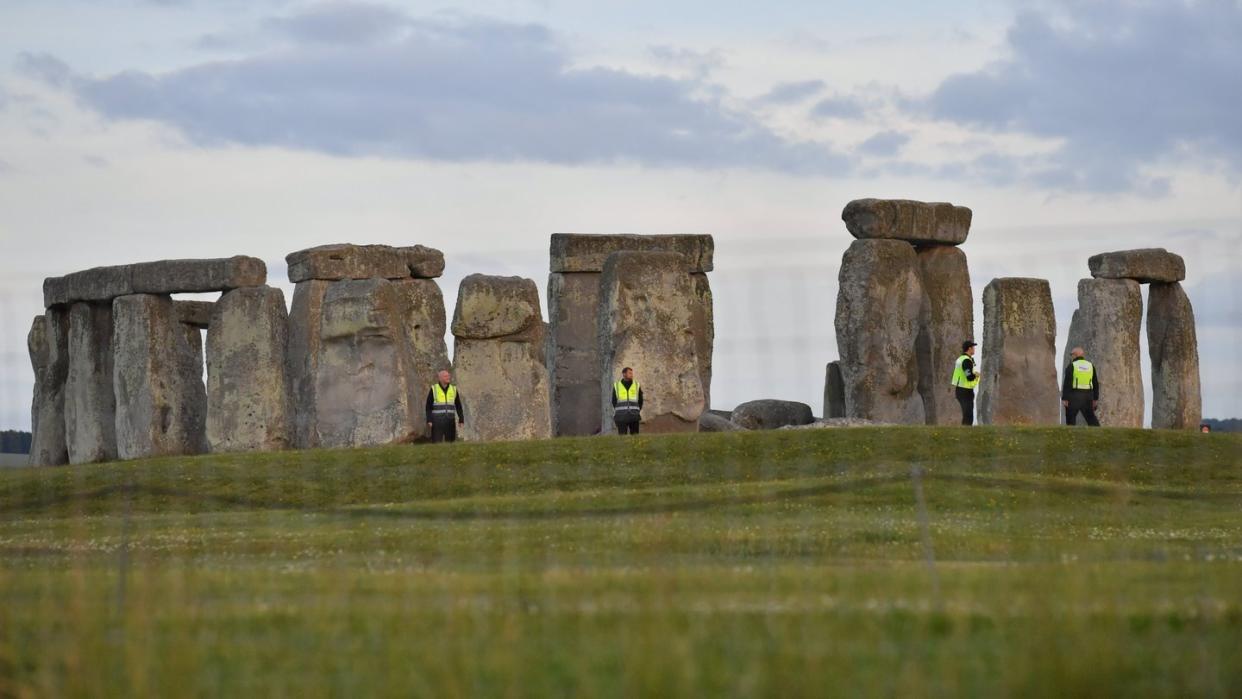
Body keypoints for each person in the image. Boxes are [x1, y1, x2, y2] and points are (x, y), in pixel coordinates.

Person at [1061, 347, 1100, 427]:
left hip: (1074, 395)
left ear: (1075, 355)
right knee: (1090, 417)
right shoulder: (1090, 366)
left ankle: (1071, 435)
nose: (1071, 356)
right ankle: (1099, 433)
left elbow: (1067, 383)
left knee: (1071, 418)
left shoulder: (1072, 366)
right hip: (1088, 395)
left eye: (1071, 354)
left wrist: (1065, 398)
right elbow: (1095, 383)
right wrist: (1095, 398)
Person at [425, 369, 464, 443]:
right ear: (440, 378)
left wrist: (461, 419)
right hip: (437, 421)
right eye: (445, 376)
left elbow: (458, 405)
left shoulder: (453, 389)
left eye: (448, 375)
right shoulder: (434, 389)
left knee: (450, 444)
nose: (448, 377)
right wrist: (429, 419)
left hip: (450, 421)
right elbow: (428, 406)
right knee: (436, 444)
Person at [951, 340, 980, 426]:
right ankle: (966, 431)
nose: (974, 349)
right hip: (965, 390)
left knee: (967, 412)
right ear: (969, 348)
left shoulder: (961, 359)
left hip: (961, 389)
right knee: (968, 413)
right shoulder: (966, 361)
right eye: (973, 347)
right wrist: (976, 375)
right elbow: (969, 376)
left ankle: (965, 431)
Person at [610, 367, 643, 435]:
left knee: (635, 437)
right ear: (624, 374)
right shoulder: (617, 386)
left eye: (632, 373)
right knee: (622, 437)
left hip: (634, 415)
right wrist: (619, 410)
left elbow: (640, 400)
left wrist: (637, 409)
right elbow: (614, 400)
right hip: (621, 416)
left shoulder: (636, 385)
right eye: (630, 373)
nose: (632, 375)